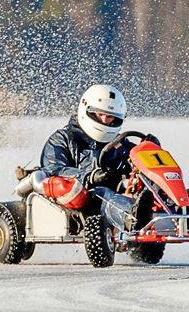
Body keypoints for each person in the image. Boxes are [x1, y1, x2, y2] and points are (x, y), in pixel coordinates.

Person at [33, 84, 155, 235]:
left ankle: (177, 210)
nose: (105, 120)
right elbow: (53, 169)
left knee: (146, 185)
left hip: (117, 192)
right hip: (78, 197)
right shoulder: (62, 139)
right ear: (87, 111)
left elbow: (135, 163)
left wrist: (149, 149)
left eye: (110, 117)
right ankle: (133, 218)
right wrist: (90, 177)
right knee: (100, 193)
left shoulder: (118, 143)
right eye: (100, 114)